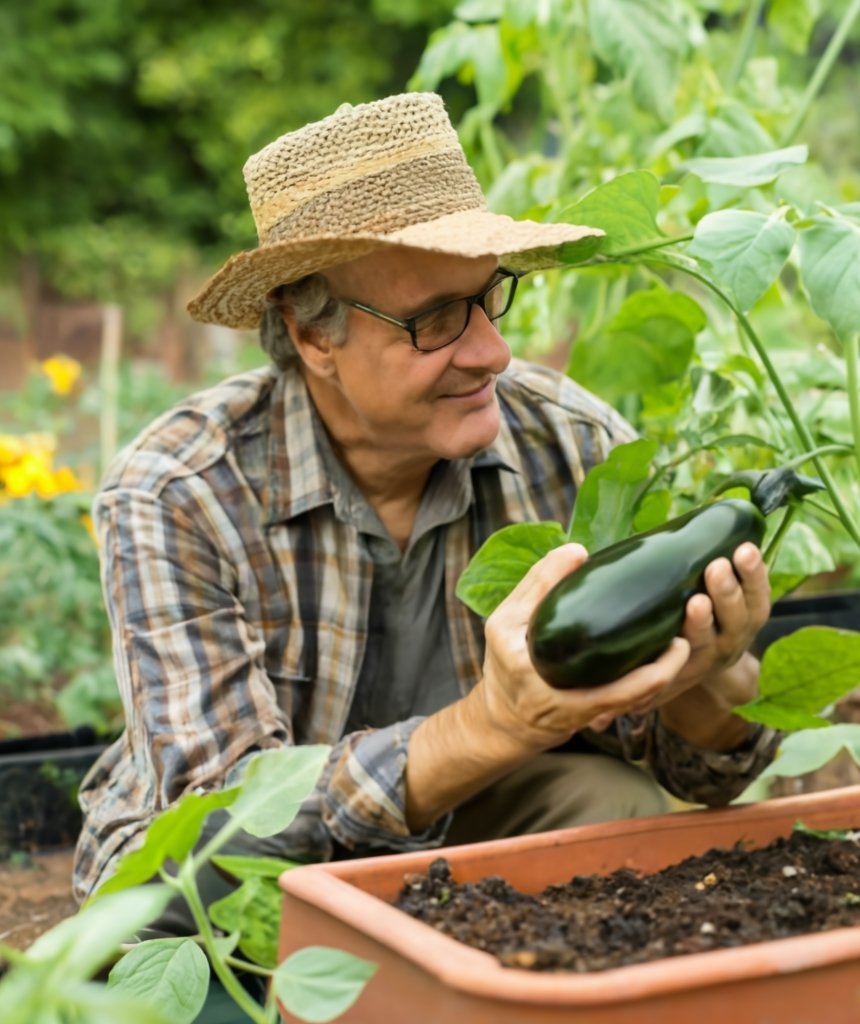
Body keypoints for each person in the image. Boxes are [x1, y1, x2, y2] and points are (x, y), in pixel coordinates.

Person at [73, 93, 778, 923]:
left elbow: (703, 775)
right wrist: (489, 725)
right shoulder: (179, 489)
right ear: (312, 336)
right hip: (242, 870)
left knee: (623, 811)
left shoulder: (573, 443)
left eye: (487, 297)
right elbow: (219, 810)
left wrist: (704, 680)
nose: (493, 351)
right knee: (170, 902)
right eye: (436, 320)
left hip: (479, 817)